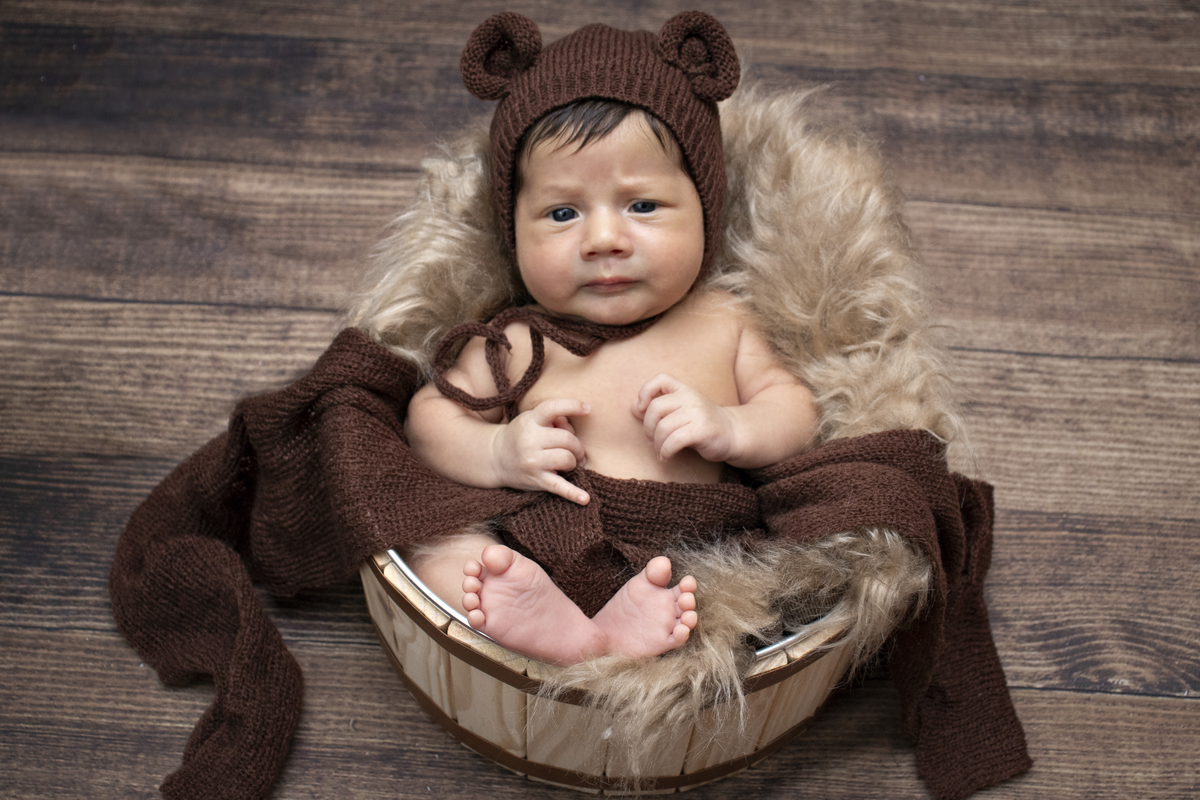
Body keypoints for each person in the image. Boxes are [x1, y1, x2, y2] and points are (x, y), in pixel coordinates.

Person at [402, 12, 819, 666]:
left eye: (642, 205)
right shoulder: (517, 336)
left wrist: (732, 427)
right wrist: (498, 451)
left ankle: (617, 630)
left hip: (684, 557)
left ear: (705, 212)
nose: (603, 239)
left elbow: (795, 411)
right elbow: (429, 417)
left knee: (755, 585)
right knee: (441, 549)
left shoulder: (723, 318)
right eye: (562, 212)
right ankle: (561, 627)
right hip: (537, 547)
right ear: (514, 232)